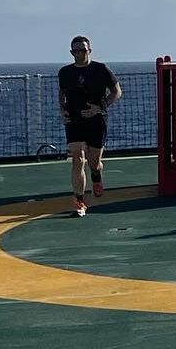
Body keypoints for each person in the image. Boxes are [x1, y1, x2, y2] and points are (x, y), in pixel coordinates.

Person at [57, 35, 121, 217]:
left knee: (93, 163)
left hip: (96, 120)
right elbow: (61, 95)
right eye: (75, 51)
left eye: (83, 50)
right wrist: (63, 112)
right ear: (71, 52)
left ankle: (97, 175)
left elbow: (117, 91)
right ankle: (80, 202)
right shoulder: (65, 72)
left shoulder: (100, 69)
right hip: (74, 121)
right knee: (78, 159)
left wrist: (100, 108)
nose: (79, 54)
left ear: (89, 51)